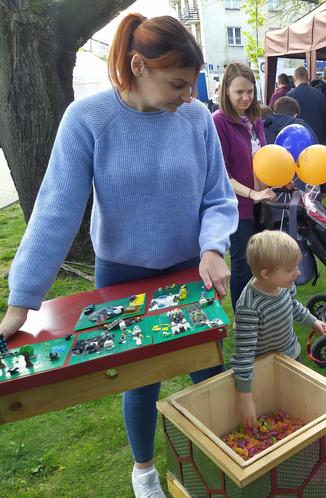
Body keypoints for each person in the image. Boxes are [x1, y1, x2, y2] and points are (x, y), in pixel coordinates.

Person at [0, 14, 238, 498]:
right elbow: (54, 213)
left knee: (210, 372)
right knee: (139, 377)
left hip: (190, 268)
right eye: (176, 83)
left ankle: (223, 466)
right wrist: (21, 303)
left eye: (191, 85)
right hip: (123, 272)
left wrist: (213, 247)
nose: (187, 96)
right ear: (137, 66)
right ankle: (144, 472)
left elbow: (218, 196)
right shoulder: (87, 119)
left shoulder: (194, 118)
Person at [231, 231, 326, 427]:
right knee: (273, 403)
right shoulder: (250, 306)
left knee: (296, 400)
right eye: (291, 269)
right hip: (265, 366)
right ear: (266, 274)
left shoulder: (284, 285)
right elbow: (244, 354)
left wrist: (312, 321)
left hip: (291, 354)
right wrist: (245, 397)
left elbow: (292, 305)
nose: (298, 273)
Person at [213, 63, 277, 311]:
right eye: (239, 92)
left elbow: (260, 159)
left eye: (250, 91)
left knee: (262, 260)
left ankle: (260, 308)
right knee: (242, 263)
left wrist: (273, 183)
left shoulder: (255, 119)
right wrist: (252, 193)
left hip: (261, 203)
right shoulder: (219, 122)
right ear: (226, 91)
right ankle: (243, 315)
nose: (246, 97)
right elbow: (222, 174)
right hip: (238, 207)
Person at [287, 66, 326, 147]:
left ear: (294, 78)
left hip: (297, 139)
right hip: (317, 139)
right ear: (308, 78)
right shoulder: (320, 95)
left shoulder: (290, 96)